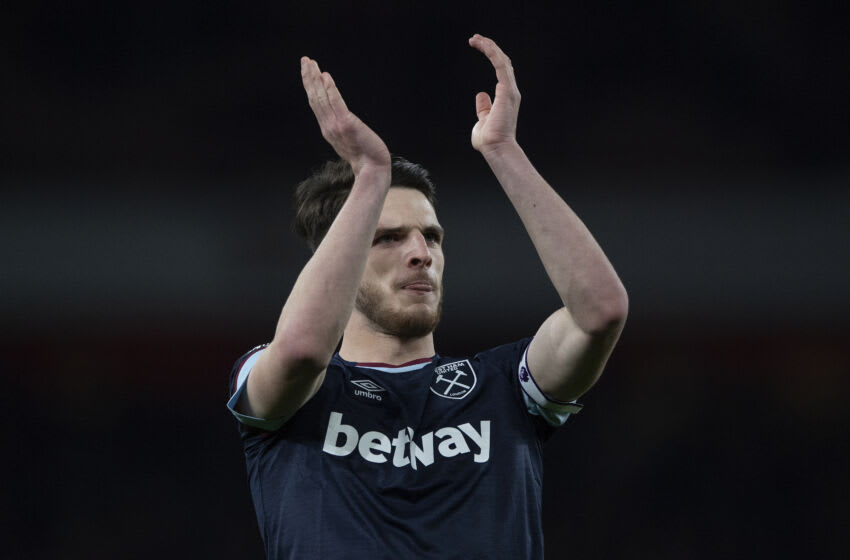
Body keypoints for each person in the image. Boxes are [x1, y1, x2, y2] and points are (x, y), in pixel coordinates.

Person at [227, 34, 628, 559]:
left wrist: (503, 151)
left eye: (432, 237)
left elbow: (601, 311)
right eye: (389, 237)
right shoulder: (288, 389)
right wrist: (371, 174)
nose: (422, 253)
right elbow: (303, 349)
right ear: (340, 258)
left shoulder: (505, 388)